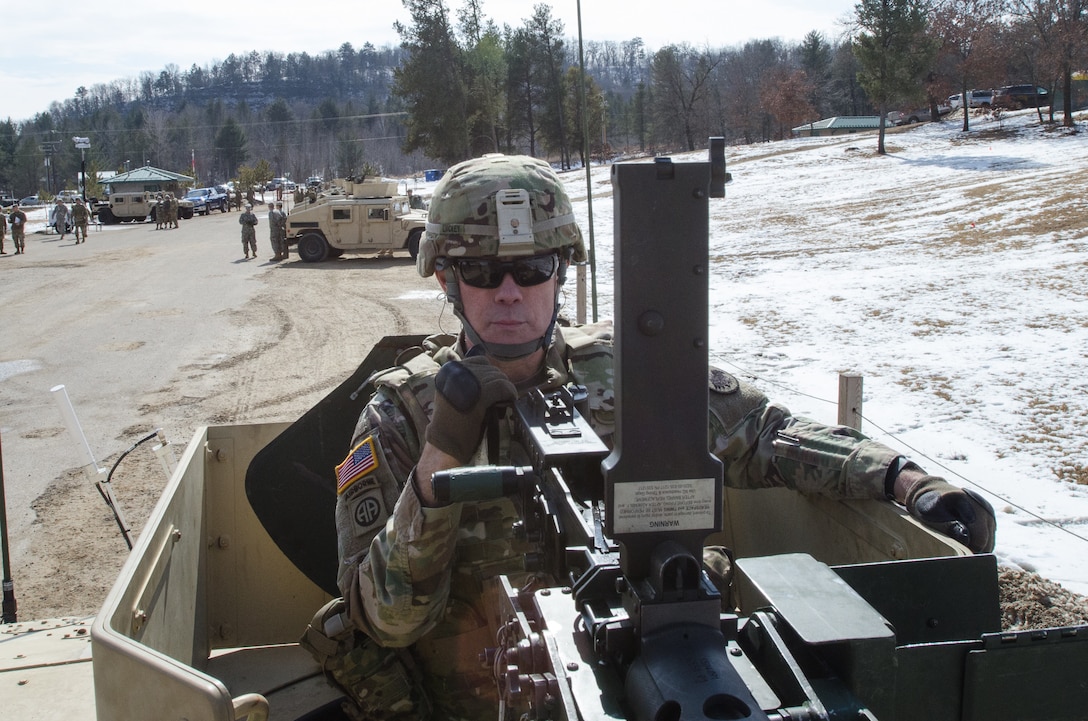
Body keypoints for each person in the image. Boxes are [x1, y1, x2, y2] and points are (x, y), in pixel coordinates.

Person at [318, 154, 996, 719]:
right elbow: (384, 621)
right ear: (445, 277)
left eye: (532, 270)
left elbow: (764, 432)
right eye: (481, 271)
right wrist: (442, 454)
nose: (508, 292)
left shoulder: (621, 369)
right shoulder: (401, 412)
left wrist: (903, 477)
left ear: (561, 274)